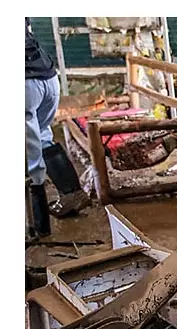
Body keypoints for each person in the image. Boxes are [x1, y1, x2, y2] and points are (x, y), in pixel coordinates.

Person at [25, 17, 89, 237]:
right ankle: (72, 193)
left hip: (25, 83)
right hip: (48, 78)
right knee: (42, 137)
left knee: (32, 151)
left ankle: (41, 228)